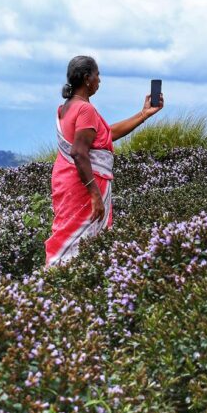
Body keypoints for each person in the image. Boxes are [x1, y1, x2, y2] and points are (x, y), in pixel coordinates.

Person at [45, 56, 164, 267]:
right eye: (97, 75)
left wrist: (143, 114)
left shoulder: (67, 107)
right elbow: (79, 152)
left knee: (67, 232)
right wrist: (95, 195)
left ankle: (56, 279)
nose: (99, 80)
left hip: (66, 180)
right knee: (80, 239)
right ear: (87, 78)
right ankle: (68, 281)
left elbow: (106, 134)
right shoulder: (85, 110)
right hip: (81, 184)